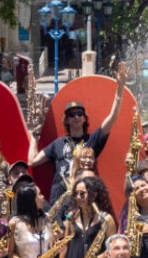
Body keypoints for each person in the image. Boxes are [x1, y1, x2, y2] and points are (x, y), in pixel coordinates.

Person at [28, 60, 129, 201]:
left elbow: (113, 117)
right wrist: (34, 136)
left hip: (84, 200)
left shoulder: (92, 140)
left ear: (84, 119)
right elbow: (32, 161)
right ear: (67, 120)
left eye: (79, 114)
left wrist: (120, 87)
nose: (76, 117)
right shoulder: (58, 143)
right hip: (59, 199)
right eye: (71, 114)